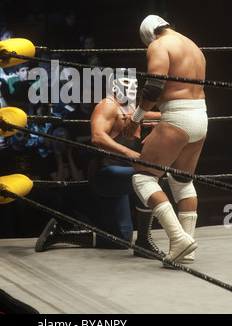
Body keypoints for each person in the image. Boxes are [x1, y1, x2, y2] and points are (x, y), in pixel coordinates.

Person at [35, 69, 164, 256]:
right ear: (114, 86)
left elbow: (163, 116)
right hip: (105, 173)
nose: (133, 88)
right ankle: (144, 241)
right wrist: (132, 155)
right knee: (149, 173)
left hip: (122, 176)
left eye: (136, 84)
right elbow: (97, 137)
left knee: (120, 239)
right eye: (127, 84)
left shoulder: (134, 110)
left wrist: (170, 117)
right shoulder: (107, 105)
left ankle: (61, 234)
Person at [122, 15, 208, 264]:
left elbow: (153, 88)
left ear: (149, 36)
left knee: (143, 178)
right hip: (200, 115)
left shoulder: (159, 45)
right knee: (182, 180)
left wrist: (136, 117)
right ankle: (186, 251)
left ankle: (178, 239)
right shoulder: (193, 46)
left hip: (177, 116)